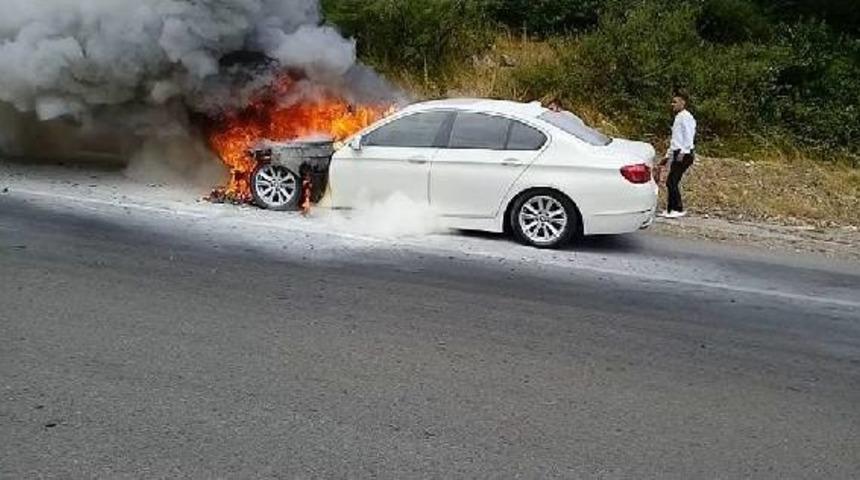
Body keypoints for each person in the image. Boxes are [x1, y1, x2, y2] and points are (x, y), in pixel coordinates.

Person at [659, 92, 697, 218]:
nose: (672, 104)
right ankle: (671, 209)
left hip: (683, 153)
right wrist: (667, 156)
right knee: (672, 181)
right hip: (678, 152)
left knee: (672, 181)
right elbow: (676, 140)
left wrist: (683, 152)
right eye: (672, 102)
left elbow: (688, 136)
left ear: (683, 102)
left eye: (675, 102)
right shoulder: (679, 117)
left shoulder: (686, 117)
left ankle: (677, 209)